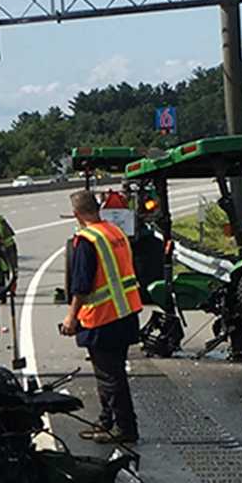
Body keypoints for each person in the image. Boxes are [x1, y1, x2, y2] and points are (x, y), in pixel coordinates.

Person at [59, 190, 143, 444]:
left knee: (110, 378)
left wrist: (71, 318)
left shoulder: (86, 240)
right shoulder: (114, 232)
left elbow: (81, 286)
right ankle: (107, 420)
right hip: (125, 313)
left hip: (102, 318)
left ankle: (125, 428)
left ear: (76, 215)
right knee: (111, 374)